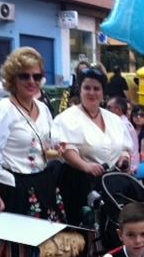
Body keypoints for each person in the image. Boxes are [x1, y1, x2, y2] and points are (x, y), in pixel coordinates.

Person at [0, 47, 65, 221]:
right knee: (17, 246)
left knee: (47, 245)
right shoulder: (2, 110)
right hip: (14, 187)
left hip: (43, 183)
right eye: (24, 76)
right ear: (13, 78)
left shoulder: (43, 108)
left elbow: (45, 145)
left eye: (37, 76)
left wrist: (56, 150)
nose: (31, 81)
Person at [53, 68, 132, 224]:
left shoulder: (113, 119)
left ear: (103, 93)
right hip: (78, 182)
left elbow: (124, 148)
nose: (92, 92)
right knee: (83, 231)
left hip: (110, 183)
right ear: (80, 90)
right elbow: (67, 149)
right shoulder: (67, 118)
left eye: (96, 88)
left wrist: (124, 160)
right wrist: (86, 166)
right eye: (87, 88)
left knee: (112, 228)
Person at [107, 96, 139, 173]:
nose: (106, 109)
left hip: (126, 166)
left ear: (118, 109)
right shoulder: (121, 122)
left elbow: (125, 149)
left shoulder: (122, 125)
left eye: (109, 107)